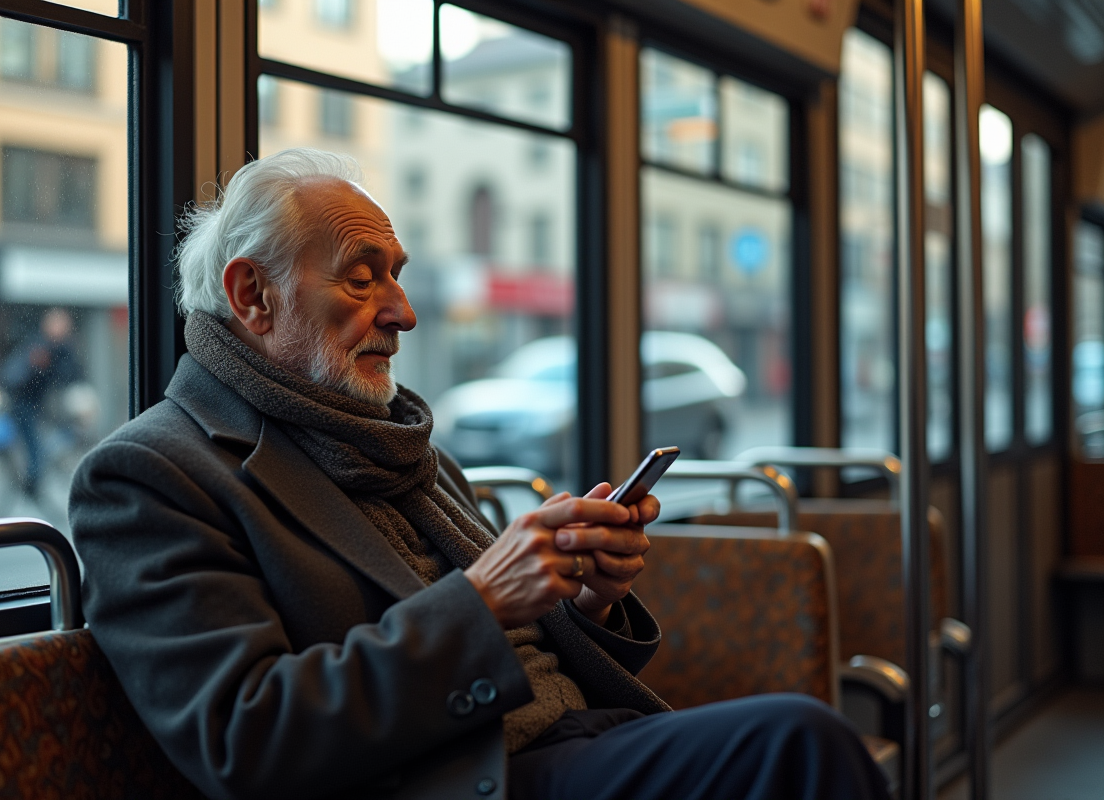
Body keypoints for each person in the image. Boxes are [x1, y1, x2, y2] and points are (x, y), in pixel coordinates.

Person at [69, 148, 889, 800]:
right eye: (363, 275)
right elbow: (244, 741)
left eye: (397, 274)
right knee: (801, 742)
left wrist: (587, 597)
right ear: (253, 294)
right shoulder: (151, 475)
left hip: (564, 740)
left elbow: (524, 648)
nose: (403, 311)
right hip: (458, 776)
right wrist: (485, 598)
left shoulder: (398, 443)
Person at [1, 307, 82, 495]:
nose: (61, 329)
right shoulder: (40, 346)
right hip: (23, 401)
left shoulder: (60, 348)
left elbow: (70, 373)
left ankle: (35, 477)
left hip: (39, 402)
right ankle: (32, 483)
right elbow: (28, 373)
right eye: (57, 325)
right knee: (33, 444)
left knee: (48, 437)